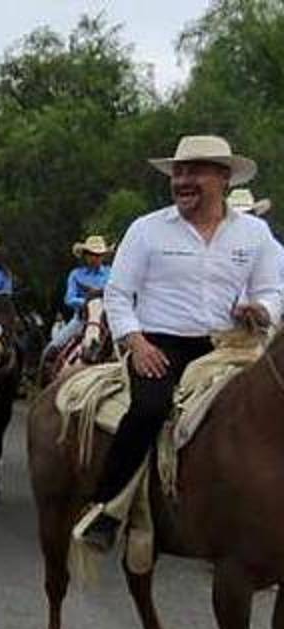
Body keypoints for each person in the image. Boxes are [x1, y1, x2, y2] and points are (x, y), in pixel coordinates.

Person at [77, 135, 284, 551]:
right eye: (179, 173)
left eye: (195, 172)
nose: (183, 180)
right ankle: (107, 508)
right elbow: (117, 295)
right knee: (149, 408)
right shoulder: (147, 230)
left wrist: (261, 310)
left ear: (223, 179)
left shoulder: (256, 234)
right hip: (161, 344)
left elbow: (273, 290)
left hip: (232, 345)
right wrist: (135, 343)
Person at [42, 235, 112, 363]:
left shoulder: (111, 273)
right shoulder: (76, 274)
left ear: (103, 256)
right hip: (81, 319)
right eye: (91, 254)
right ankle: (44, 380)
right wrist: (89, 303)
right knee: (50, 351)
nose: (95, 258)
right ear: (85, 255)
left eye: (99, 254)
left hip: (110, 320)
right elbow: (69, 298)